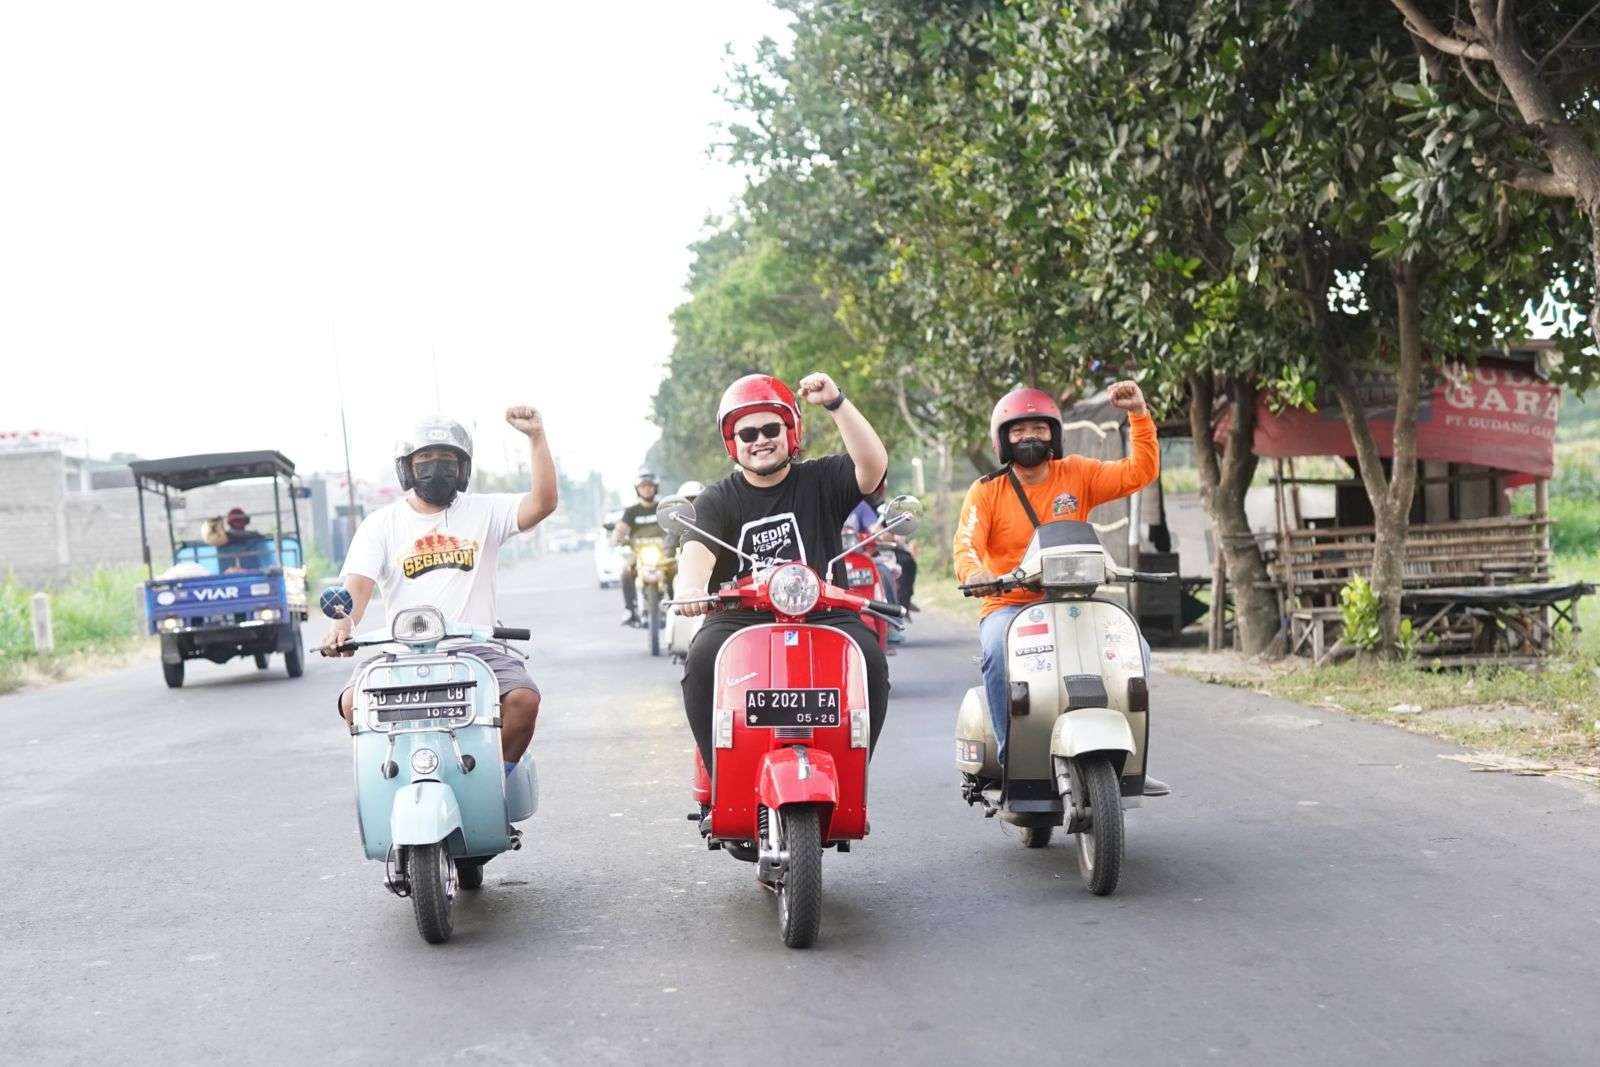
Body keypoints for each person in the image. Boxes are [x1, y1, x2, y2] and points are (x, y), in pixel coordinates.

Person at [953, 381, 1167, 794]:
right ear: (1003, 438)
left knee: (1135, 650)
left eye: (1038, 428)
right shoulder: (986, 491)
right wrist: (974, 573)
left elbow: (1141, 471)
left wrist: (1139, 414)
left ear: (1054, 433)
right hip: (1010, 606)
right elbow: (966, 544)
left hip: (1074, 599)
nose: (1029, 437)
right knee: (997, 650)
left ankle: (1130, 757)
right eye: (1018, 431)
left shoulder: (1078, 473)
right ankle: (1011, 758)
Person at [675, 372, 891, 772]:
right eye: (748, 433)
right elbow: (696, 549)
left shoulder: (821, 479)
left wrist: (836, 403)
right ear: (733, 444)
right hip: (738, 617)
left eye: (771, 428)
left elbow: (872, 466)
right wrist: (690, 587)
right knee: (702, 660)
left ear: (790, 431)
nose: (760, 440)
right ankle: (722, 776)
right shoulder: (717, 498)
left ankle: (853, 772)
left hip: (826, 609)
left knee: (871, 662)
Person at [323, 409, 558, 772]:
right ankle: (388, 777)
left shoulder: (486, 511)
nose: (437, 468)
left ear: (463, 468)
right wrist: (343, 624)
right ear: (407, 468)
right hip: (401, 652)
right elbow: (357, 587)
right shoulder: (381, 525)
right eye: (425, 459)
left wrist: (536, 437)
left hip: (476, 647)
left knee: (523, 701)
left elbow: (543, 504)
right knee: (354, 703)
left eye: (448, 459)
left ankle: (496, 789)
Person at [611, 470, 664, 626]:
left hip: (664, 552)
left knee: (678, 568)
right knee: (626, 572)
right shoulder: (632, 511)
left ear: (656, 487)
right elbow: (621, 529)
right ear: (637, 489)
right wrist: (616, 538)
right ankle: (630, 610)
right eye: (642, 486)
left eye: (650, 485)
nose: (646, 489)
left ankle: (680, 604)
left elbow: (675, 523)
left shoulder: (662, 507)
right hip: (639, 554)